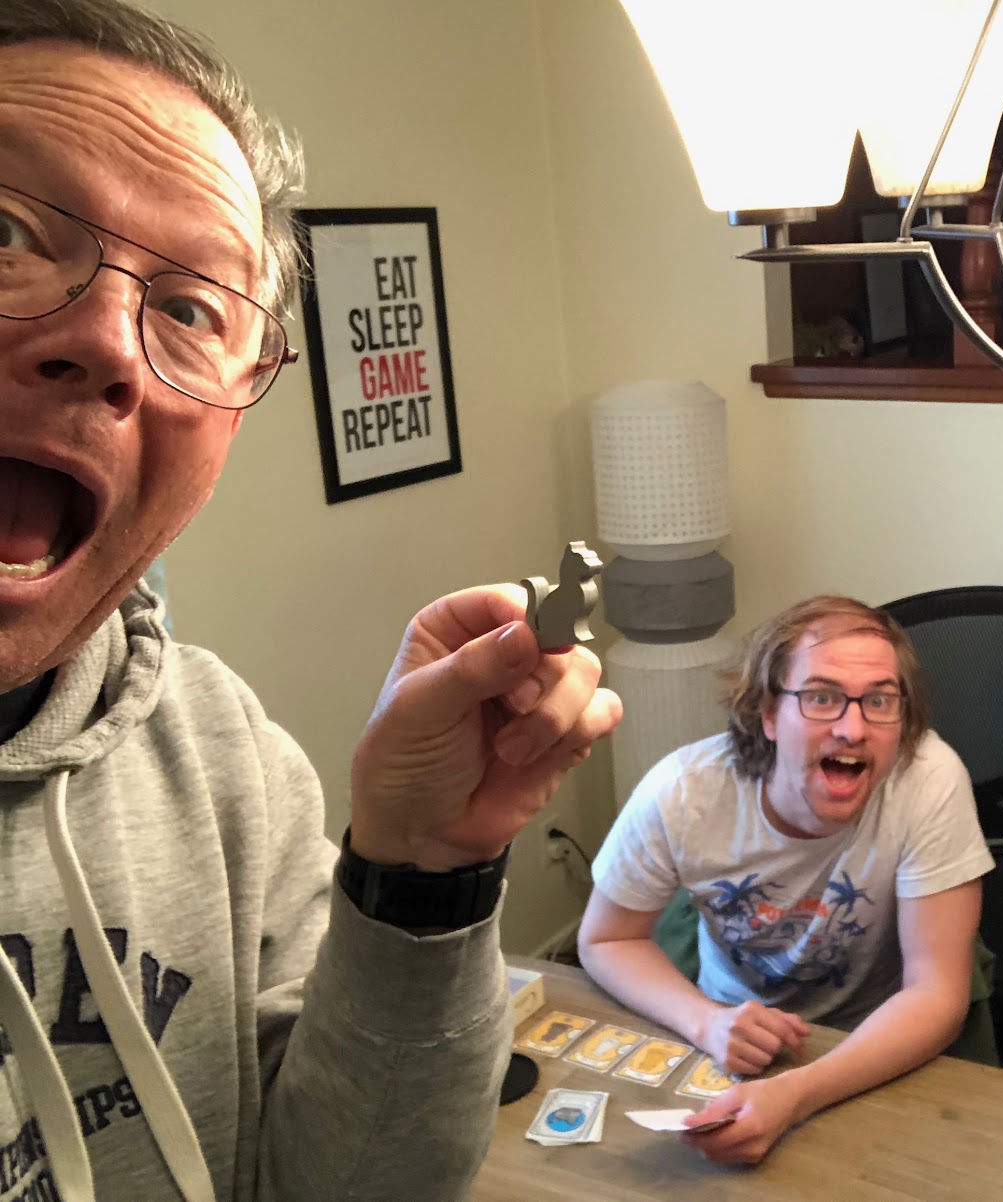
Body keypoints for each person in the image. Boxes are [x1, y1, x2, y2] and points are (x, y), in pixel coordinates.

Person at [0, 3, 622, 1199]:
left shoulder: (221, 751)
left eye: (190, 306)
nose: (109, 343)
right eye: (8, 228)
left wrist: (426, 865)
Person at [578, 595, 993, 1164]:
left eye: (879, 700)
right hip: (732, 1036)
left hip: (879, 1039)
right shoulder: (682, 792)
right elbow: (606, 939)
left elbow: (936, 993)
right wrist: (708, 1022)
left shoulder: (929, 779)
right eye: (821, 697)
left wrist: (797, 1094)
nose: (853, 728)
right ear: (769, 714)